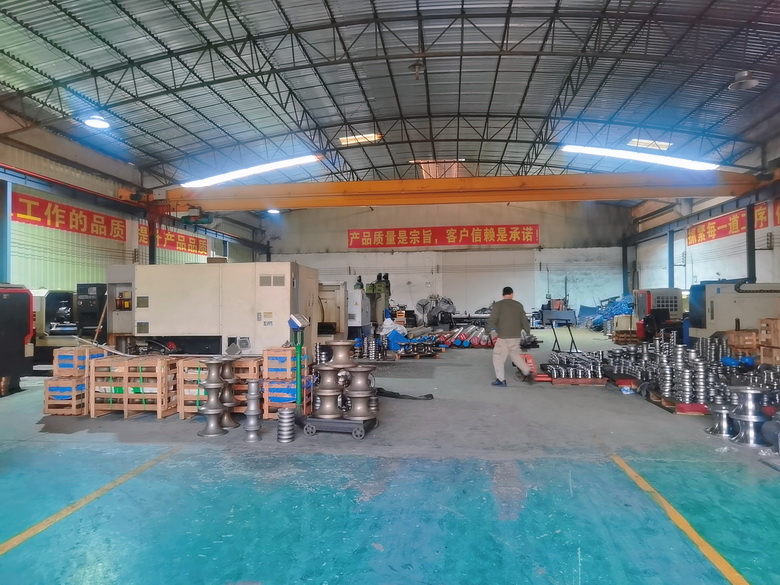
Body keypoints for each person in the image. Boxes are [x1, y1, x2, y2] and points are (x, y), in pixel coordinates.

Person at [486, 286, 534, 386]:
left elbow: (492, 319)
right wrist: (528, 332)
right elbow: (524, 320)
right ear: (512, 294)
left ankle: (501, 380)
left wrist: (487, 331)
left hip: (503, 337)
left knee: (498, 357)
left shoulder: (498, 305)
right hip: (516, 336)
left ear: (503, 294)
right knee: (515, 356)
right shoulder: (518, 305)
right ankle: (527, 371)